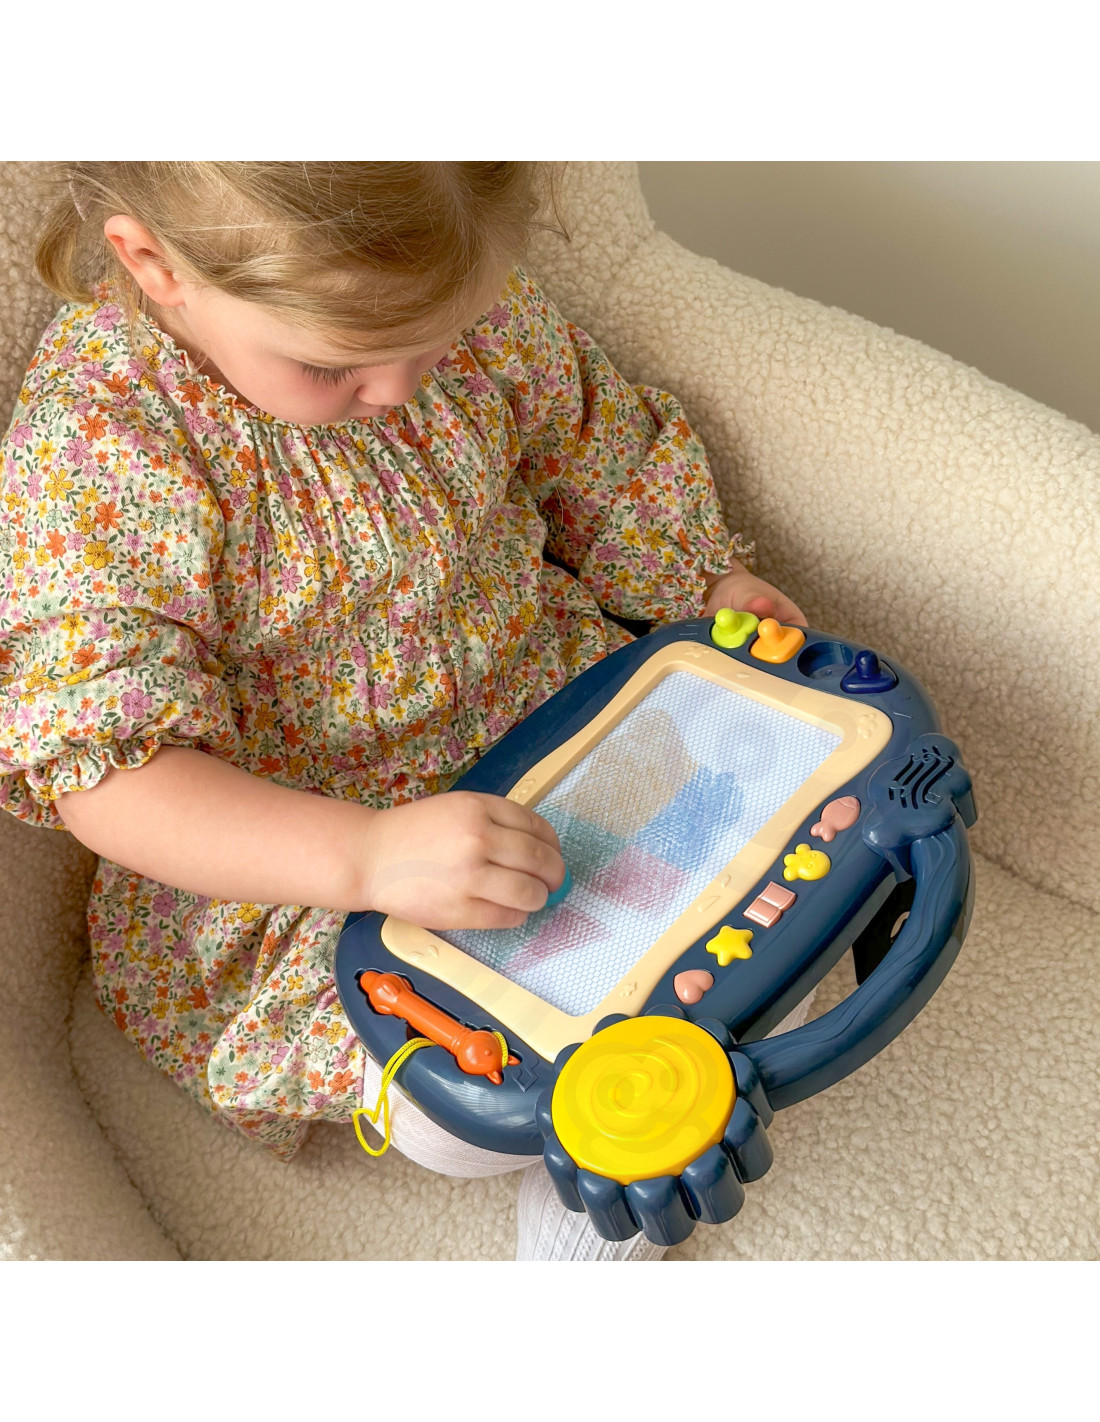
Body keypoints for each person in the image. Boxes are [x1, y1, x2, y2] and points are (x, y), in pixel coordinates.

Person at [0, 162, 807, 1261]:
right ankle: (583, 1170)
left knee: (766, 879)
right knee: (461, 1098)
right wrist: (368, 857)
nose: (397, 391)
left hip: (542, 704)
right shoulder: (104, 441)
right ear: (155, 264)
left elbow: (599, 457)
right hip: (310, 844)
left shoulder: (447, 290)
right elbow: (111, 774)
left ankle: (658, 1067)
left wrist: (707, 582)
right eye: (333, 364)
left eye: (437, 344)